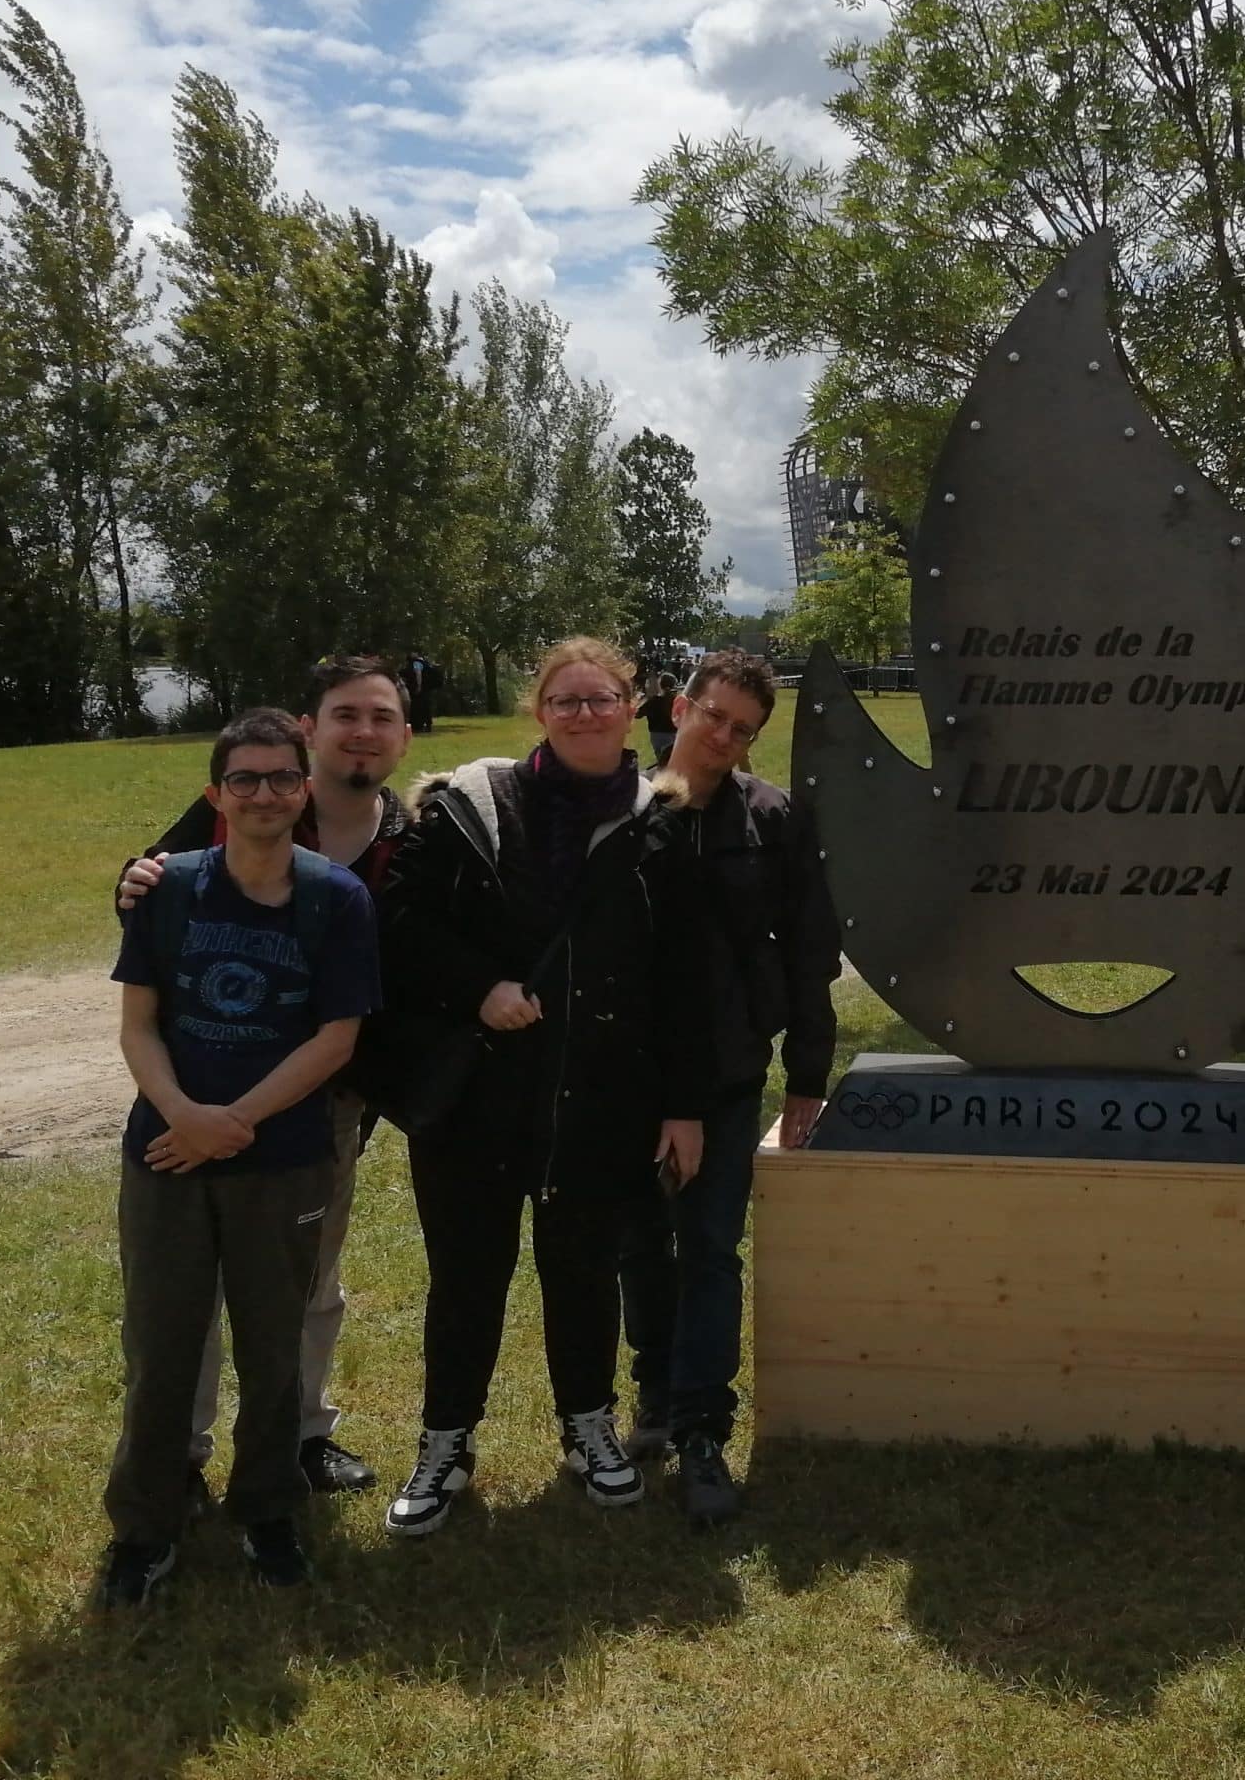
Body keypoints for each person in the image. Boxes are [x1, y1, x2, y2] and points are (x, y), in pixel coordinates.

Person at [377, 636, 713, 1534]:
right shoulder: (464, 807)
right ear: (538, 710)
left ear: (632, 705)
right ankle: (445, 1441)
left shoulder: (661, 824)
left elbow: (683, 979)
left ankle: (588, 1428)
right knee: (466, 1275)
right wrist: (475, 988)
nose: (584, 714)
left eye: (600, 698)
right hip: (477, 1096)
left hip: (601, 1095)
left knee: (582, 1271)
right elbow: (398, 922)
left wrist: (681, 1103)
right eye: (565, 700)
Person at [97, 709, 381, 1609]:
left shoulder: (335, 896)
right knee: (162, 1343)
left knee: (273, 1347)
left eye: (281, 780)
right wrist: (187, 1115)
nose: (264, 794)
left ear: (305, 793)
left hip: (284, 1158)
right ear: (217, 796)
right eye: (245, 780)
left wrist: (239, 1120)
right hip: (169, 1157)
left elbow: (338, 1038)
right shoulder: (171, 889)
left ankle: (267, 1513)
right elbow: (138, 1026)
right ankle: (145, 1529)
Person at [620, 649, 842, 1523]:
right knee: (641, 1245)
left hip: (728, 1068)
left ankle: (703, 1429)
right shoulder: (624, 809)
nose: (722, 739)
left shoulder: (774, 819)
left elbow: (810, 951)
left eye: (743, 730)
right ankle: (654, 1395)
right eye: (713, 717)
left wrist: (808, 1076)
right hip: (630, 1075)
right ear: (681, 707)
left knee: (710, 1248)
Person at [639, 671, 680, 768]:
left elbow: (638, 714)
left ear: (660, 684)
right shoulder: (676, 700)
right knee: (670, 763)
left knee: (661, 762)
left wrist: (644, 699)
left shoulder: (653, 700)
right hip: (673, 734)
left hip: (656, 735)